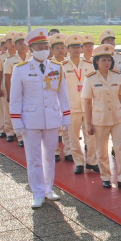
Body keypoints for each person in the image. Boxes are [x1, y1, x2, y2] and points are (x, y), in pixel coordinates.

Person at [9, 28, 71, 209]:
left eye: (45, 46)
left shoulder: (57, 68)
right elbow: (15, 98)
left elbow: (63, 95)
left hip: (51, 118)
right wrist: (17, 122)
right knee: (34, 158)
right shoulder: (20, 70)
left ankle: (48, 189)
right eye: (39, 47)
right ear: (30, 49)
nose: (43, 49)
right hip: (31, 119)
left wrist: (66, 117)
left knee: (50, 156)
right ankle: (37, 192)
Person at [82, 44, 121, 190]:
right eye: (103, 60)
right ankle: (105, 177)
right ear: (97, 61)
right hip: (100, 120)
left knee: (120, 149)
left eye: (109, 60)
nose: (107, 63)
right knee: (101, 150)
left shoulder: (117, 75)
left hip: (118, 118)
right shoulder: (90, 79)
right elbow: (87, 101)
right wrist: (88, 124)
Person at [62, 34, 97, 174]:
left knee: (91, 136)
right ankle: (78, 162)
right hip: (72, 107)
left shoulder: (89, 65)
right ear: (67, 49)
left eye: (78, 47)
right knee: (74, 137)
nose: (76, 50)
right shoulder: (62, 66)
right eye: (73, 47)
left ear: (81, 49)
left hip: (88, 106)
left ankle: (92, 161)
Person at [48, 34, 73, 162]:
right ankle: (55, 151)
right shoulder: (48, 65)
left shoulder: (70, 63)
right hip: (52, 100)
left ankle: (69, 151)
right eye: (57, 48)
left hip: (67, 99)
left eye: (62, 47)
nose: (60, 50)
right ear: (51, 50)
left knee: (68, 127)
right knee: (54, 128)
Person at [3, 32, 30, 145]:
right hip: (17, 92)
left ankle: (29, 136)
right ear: (16, 45)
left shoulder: (33, 58)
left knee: (29, 114)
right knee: (18, 113)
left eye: (24, 43)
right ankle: (20, 137)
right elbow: (7, 78)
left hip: (30, 92)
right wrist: (10, 94)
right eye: (19, 43)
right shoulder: (10, 60)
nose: (22, 46)